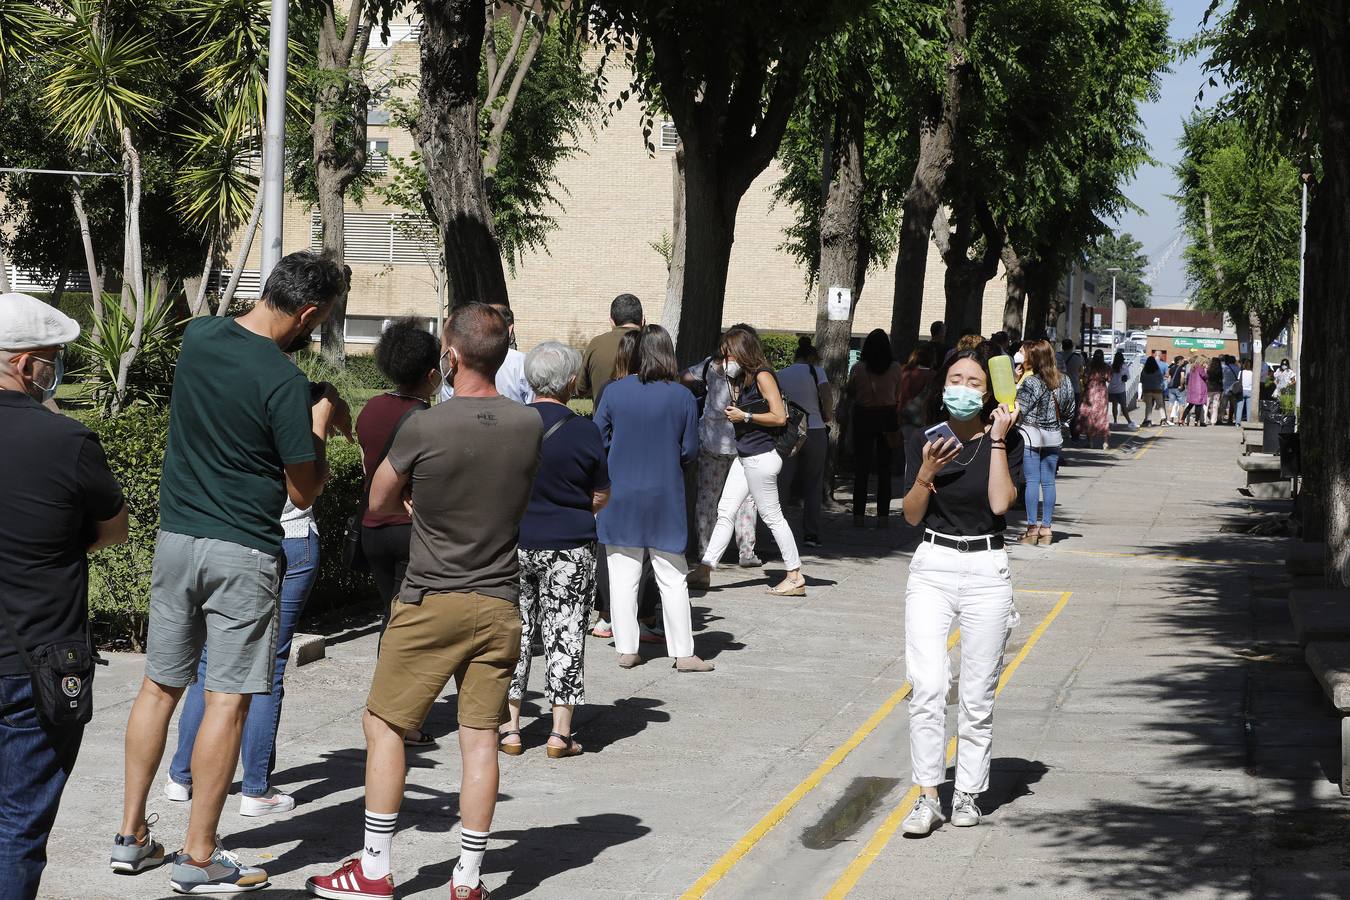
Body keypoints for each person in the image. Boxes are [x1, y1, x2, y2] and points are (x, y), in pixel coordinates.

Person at [114, 251, 350, 892]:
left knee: (158, 687)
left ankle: (131, 838)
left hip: (175, 540)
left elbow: (234, 387)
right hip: (241, 552)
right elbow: (304, 491)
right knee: (227, 699)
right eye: (320, 320)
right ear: (307, 312)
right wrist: (319, 425)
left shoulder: (201, 336)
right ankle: (199, 856)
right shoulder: (280, 382)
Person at [307, 303, 542, 900]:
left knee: (383, 723)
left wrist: (415, 503)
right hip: (500, 600)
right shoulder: (528, 424)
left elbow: (380, 498)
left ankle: (376, 867)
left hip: (433, 593)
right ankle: (467, 876)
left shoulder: (425, 427)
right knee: (481, 736)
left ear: (452, 354)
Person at [0, 294, 128, 899]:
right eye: (51, 360)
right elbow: (113, 531)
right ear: (26, 365)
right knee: (18, 831)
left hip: (31, 666)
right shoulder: (68, 441)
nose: (54, 371)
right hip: (38, 666)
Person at [899, 349, 1023, 836]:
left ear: (988, 391)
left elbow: (999, 503)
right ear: (942, 385)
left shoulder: (1008, 440)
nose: (965, 388)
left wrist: (996, 441)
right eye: (956, 378)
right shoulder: (923, 440)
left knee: (976, 693)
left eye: (975, 381)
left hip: (986, 568)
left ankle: (968, 791)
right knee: (927, 684)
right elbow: (910, 516)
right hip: (932, 564)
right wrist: (926, 473)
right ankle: (928, 795)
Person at [164, 497, 322, 817]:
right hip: (287, 537)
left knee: (208, 659)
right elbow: (305, 488)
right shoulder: (295, 441)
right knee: (270, 665)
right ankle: (256, 789)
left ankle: (182, 776)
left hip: (226, 538)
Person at [496, 343, 609, 760]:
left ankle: (510, 727)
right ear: (570, 383)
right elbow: (601, 494)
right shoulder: (584, 430)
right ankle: (560, 734)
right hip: (569, 547)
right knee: (565, 632)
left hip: (515, 543)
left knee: (514, 632)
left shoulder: (509, 425)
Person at [594, 326, 713, 672]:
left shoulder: (615, 393)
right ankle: (684, 652)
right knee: (672, 575)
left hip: (621, 493)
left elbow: (598, 439)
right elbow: (690, 450)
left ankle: (627, 647)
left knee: (622, 575)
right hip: (665, 494)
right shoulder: (683, 397)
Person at [694, 328, 808, 596]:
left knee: (773, 516)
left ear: (742, 351)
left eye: (729, 353)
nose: (725, 360)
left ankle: (795, 574)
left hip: (761, 457)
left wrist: (745, 417)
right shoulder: (744, 379)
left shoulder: (763, 375)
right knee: (725, 510)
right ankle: (704, 569)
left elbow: (779, 416)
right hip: (746, 456)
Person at [683, 330, 761, 585]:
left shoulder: (710, 366)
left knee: (709, 498)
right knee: (745, 500)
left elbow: (683, 377)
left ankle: (707, 551)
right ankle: (745, 550)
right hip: (735, 445)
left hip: (717, 443)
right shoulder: (751, 372)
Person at [775, 336, 833, 548]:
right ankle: (811, 533)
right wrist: (827, 415)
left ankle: (779, 532)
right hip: (815, 429)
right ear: (811, 357)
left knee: (783, 483)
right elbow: (827, 397)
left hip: (788, 431)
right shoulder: (817, 371)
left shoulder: (781, 374)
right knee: (814, 483)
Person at [1016, 340, 1075, 546]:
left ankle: (1032, 529)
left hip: (1031, 434)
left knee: (1032, 481)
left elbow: (1019, 408)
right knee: (1048, 482)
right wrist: (1061, 423)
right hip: (1053, 436)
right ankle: (1047, 529)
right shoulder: (1064, 380)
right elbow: (1070, 409)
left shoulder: (1031, 382)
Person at [847, 329, 903, 528]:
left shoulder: (858, 368)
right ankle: (883, 517)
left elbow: (851, 392)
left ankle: (858, 516)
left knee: (861, 469)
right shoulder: (896, 368)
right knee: (884, 469)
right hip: (887, 416)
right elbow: (898, 395)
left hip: (864, 415)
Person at [441, 304, 533, 404]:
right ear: (510, 329)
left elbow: (447, 394)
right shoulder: (523, 362)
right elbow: (533, 400)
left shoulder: (460, 358)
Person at [578, 293, 643, 405]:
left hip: (603, 420)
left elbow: (581, 389)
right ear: (643, 320)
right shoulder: (654, 344)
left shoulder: (596, 343)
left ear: (611, 321)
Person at [1077, 350, 1110, 448]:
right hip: (1102, 393)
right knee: (1102, 416)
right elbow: (1109, 378)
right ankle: (1105, 442)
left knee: (1089, 416)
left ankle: (1090, 442)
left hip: (1090, 392)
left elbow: (1085, 379)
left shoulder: (1089, 367)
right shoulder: (1106, 367)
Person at [1061, 339, 1084, 440]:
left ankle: (1061, 433)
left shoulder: (1058, 356)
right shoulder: (1077, 357)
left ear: (1062, 346)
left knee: (1061, 411)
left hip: (1061, 388)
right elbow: (1081, 370)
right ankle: (1075, 435)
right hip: (1075, 388)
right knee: (1075, 413)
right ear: (1072, 347)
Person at [1107, 350, 1133, 427]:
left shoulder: (1111, 366)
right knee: (1123, 406)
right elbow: (1127, 377)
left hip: (1111, 389)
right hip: (1120, 389)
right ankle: (1129, 422)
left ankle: (1115, 421)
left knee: (1114, 405)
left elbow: (1108, 378)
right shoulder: (1124, 367)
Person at [1139, 356, 1166, 427]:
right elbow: (1161, 380)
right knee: (1160, 405)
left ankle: (1148, 421)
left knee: (1148, 406)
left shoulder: (1144, 370)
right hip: (1157, 389)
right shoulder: (1157, 370)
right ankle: (1163, 420)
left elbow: (1141, 380)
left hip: (1147, 389)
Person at [1185, 355, 1210, 426]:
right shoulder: (1200, 368)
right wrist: (1206, 370)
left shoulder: (1192, 367)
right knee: (1199, 406)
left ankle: (1182, 419)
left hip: (1192, 388)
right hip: (1199, 389)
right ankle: (1197, 421)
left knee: (1189, 405)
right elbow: (1204, 376)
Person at [1165, 355, 1188, 426]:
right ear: (1180, 361)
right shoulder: (1182, 368)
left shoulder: (1171, 368)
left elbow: (1167, 375)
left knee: (1171, 403)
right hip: (1179, 388)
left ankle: (1168, 419)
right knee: (1181, 404)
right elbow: (1182, 377)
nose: (1184, 361)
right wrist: (1181, 385)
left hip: (1171, 388)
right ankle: (1180, 420)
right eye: (1183, 360)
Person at [1221, 355, 1241, 425]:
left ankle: (1219, 419)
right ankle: (1236, 419)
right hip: (1234, 389)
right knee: (1235, 406)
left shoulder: (1224, 368)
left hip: (1225, 388)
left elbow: (1222, 377)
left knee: (1223, 405)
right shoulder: (1238, 368)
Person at [1205, 355, 1224, 425]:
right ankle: (1213, 421)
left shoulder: (1208, 370)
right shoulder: (1220, 370)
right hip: (1217, 388)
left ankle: (1204, 419)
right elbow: (1221, 379)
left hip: (1209, 388)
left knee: (1206, 404)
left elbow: (1206, 378)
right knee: (1215, 405)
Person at [1238, 358, 1254, 422]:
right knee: (1249, 408)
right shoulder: (1252, 373)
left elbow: (1239, 380)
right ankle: (1249, 421)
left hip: (1242, 390)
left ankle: (1237, 422)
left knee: (1239, 407)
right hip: (1250, 390)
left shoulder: (1241, 372)